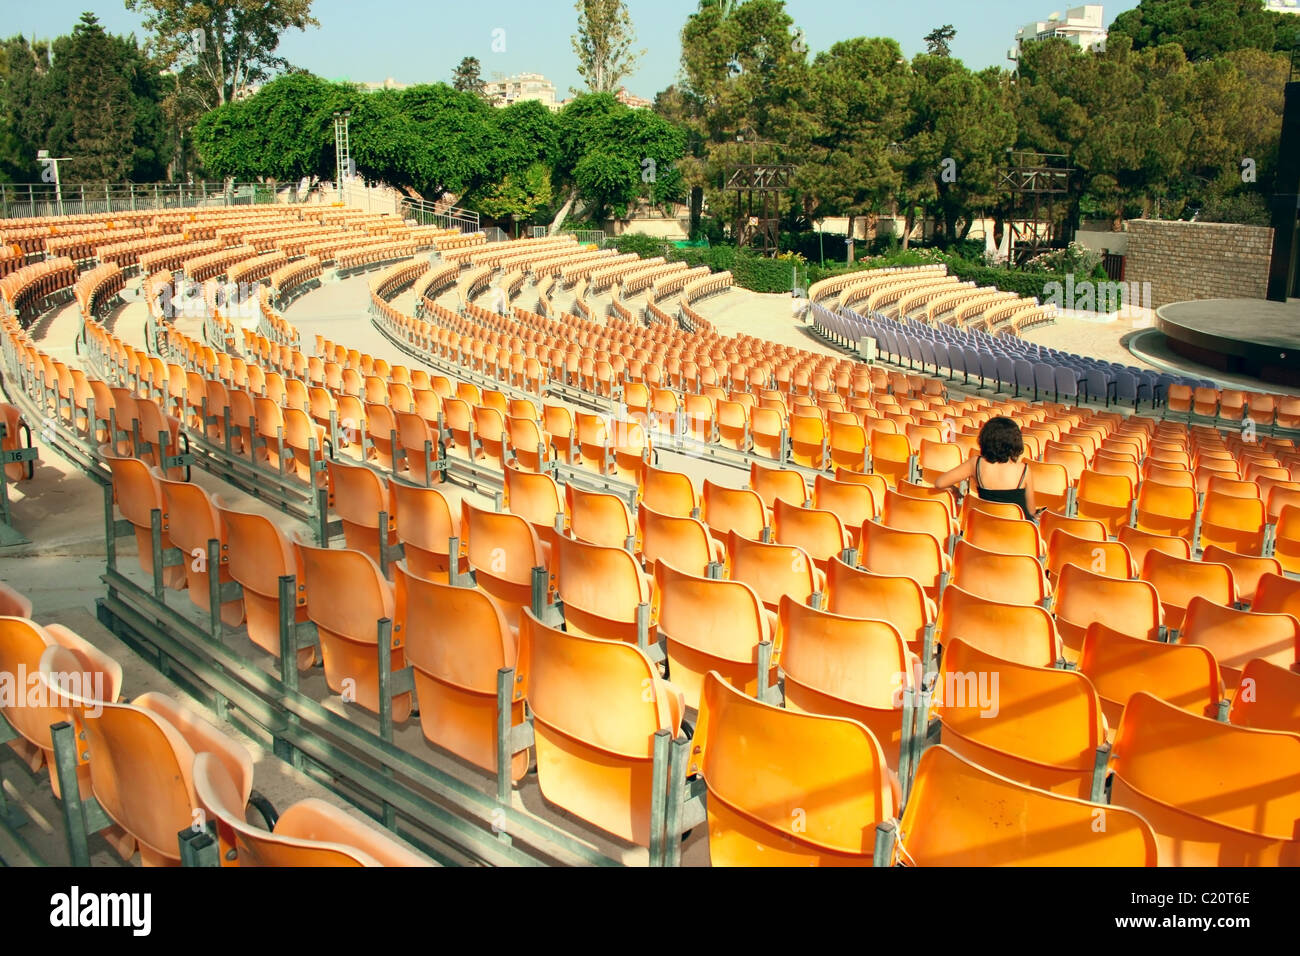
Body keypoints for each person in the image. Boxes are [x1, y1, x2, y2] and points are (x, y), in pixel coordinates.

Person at [933, 416, 1043, 521]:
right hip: (1018, 534)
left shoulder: (975, 463)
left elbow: (939, 483)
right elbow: (1031, 512)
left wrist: (956, 491)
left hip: (984, 528)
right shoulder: (1024, 470)